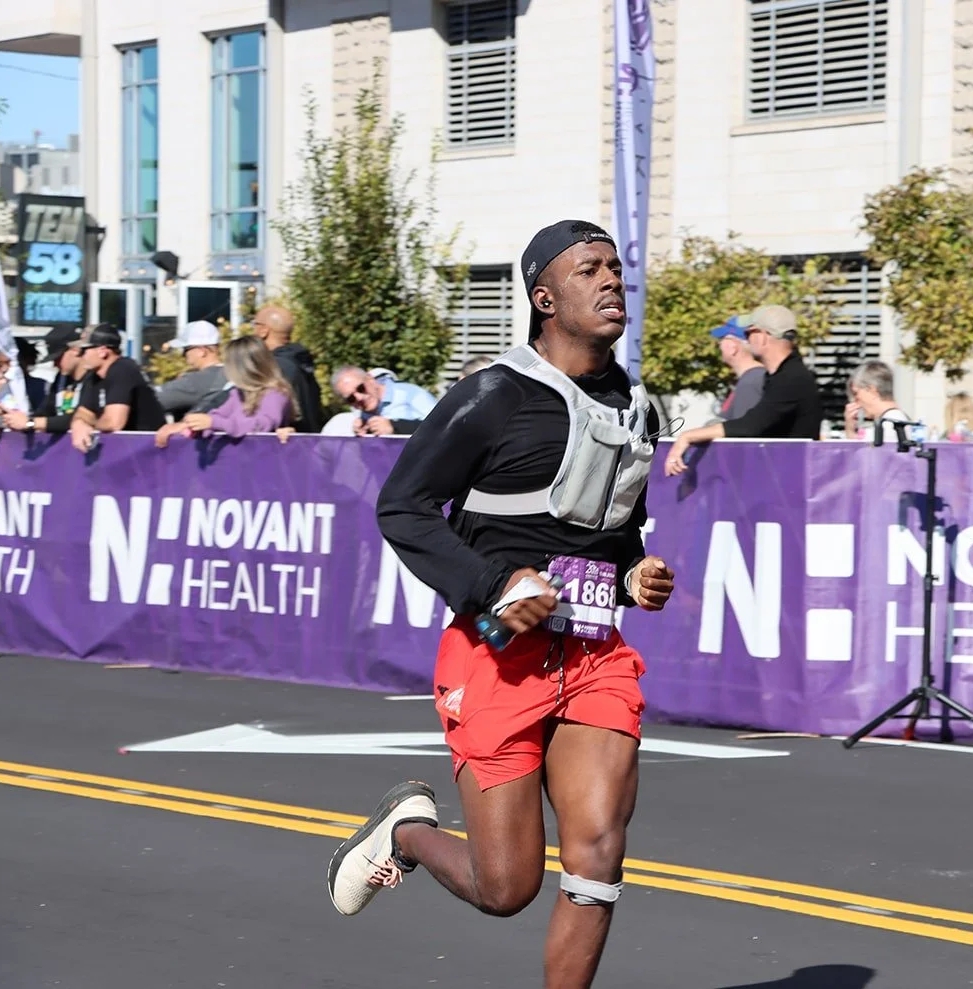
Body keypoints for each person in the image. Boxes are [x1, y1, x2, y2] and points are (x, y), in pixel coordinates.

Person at [327, 220, 675, 989]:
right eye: (590, 269)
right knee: (507, 887)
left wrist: (632, 575)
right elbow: (403, 507)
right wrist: (495, 586)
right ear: (546, 297)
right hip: (495, 652)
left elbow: (611, 537)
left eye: (616, 267)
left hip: (593, 654)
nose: (613, 280)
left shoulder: (635, 408)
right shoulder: (493, 395)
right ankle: (408, 832)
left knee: (597, 857)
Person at [663, 304, 822, 474]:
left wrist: (688, 436)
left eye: (749, 334)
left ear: (763, 337)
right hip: (780, 480)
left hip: (786, 483)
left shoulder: (792, 378)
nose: (747, 340)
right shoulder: (783, 375)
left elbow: (750, 426)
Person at [154, 336, 298, 446]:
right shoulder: (238, 392)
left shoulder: (276, 393)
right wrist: (188, 426)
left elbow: (261, 425)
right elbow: (218, 413)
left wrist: (214, 422)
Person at [69, 325, 167, 451]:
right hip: (124, 452)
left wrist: (89, 424)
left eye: (84, 351)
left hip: (149, 451)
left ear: (102, 351)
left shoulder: (123, 369)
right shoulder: (93, 376)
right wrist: (79, 423)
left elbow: (113, 423)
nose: (81, 356)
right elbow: (82, 413)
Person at [3, 326, 90, 435]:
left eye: (58, 358)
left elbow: (81, 417)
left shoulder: (93, 379)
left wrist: (31, 423)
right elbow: (45, 411)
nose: (55, 364)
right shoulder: (60, 379)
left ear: (75, 350)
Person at [251, 304, 324, 432]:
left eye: (255, 324)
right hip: (307, 441)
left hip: (283, 443)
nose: (253, 330)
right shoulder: (302, 363)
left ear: (264, 331)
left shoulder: (273, 367)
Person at [331, 367, 439, 436]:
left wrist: (395, 427)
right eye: (351, 398)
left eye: (361, 388)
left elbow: (442, 427)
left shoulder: (410, 394)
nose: (359, 398)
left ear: (370, 379)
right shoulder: (361, 412)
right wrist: (364, 432)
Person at [156, 321, 228, 418]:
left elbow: (149, 401)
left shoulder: (195, 381)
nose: (183, 355)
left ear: (202, 351)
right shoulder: (231, 374)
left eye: (186, 349)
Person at [710, 316, 766, 420]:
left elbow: (742, 432)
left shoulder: (750, 383)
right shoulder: (756, 377)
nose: (719, 344)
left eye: (722, 339)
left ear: (733, 347)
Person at [843, 359, 910, 440]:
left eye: (856, 393)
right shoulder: (897, 420)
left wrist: (850, 432)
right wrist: (850, 430)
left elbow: (859, 452)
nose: (854, 401)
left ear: (872, 390)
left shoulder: (888, 426)